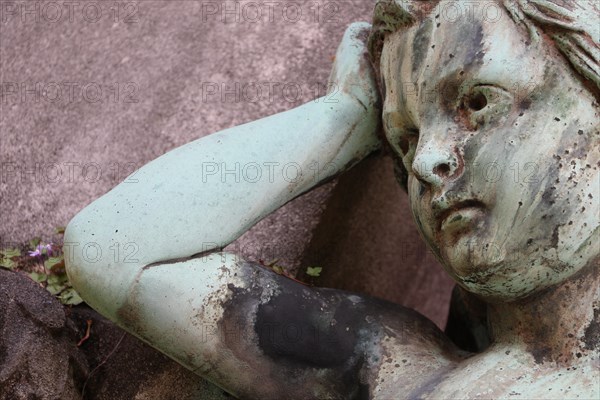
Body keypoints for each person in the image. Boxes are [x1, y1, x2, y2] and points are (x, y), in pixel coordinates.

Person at [64, 1, 599, 398]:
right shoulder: (401, 376)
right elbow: (115, 249)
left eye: (478, 102)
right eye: (404, 139)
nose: (425, 161)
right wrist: (341, 116)